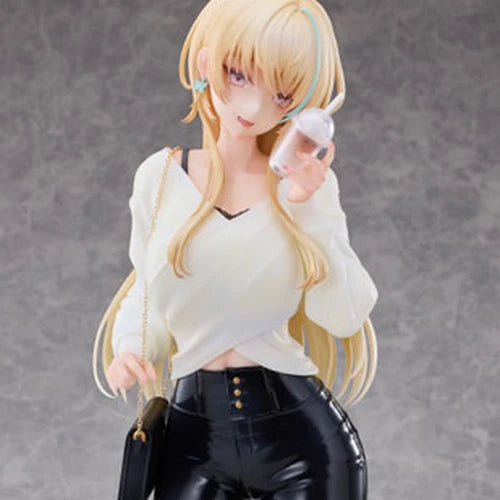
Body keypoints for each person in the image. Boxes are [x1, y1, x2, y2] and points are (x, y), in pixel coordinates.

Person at [93, 1, 379, 498]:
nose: (253, 106)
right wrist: (131, 348)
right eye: (239, 74)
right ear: (207, 63)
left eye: (281, 93)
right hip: (192, 441)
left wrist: (312, 209)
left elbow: (345, 313)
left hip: (303, 445)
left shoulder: (303, 187)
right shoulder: (160, 178)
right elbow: (146, 289)